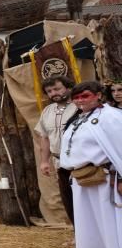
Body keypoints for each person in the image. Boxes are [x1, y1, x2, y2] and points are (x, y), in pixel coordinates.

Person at [59, 81, 122, 248]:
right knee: (94, 217)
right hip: (83, 176)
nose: (80, 100)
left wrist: (120, 177)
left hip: (105, 177)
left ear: (98, 95)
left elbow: (119, 147)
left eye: (85, 96)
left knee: (111, 217)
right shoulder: (80, 118)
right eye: (76, 97)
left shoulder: (111, 117)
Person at [35, 76, 79, 224]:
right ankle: (77, 235)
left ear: (68, 87)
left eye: (57, 89)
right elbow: (45, 138)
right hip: (60, 162)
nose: (54, 93)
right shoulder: (47, 111)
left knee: (84, 199)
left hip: (80, 162)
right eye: (49, 91)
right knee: (68, 199)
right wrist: (44, 161)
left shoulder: (79, 107)